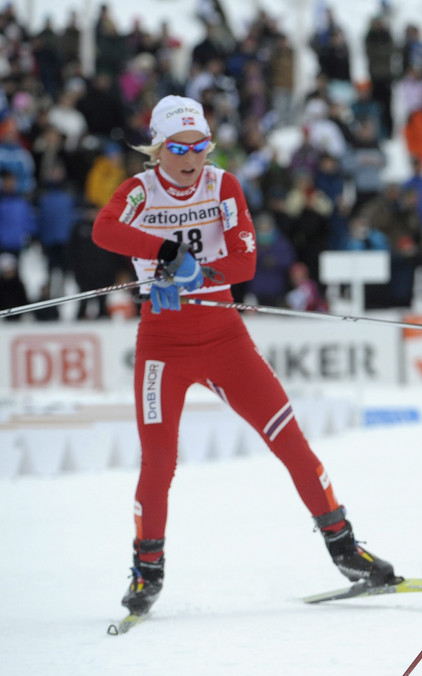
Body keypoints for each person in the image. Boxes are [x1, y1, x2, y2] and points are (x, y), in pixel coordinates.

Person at [91, 96, 396, 618]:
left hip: (225, 338)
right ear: (159, 148)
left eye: (201, 146)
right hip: (162, 346)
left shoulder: (221, 185)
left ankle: (345, 550)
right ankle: (148, 572)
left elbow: (245, 259)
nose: (192, 158)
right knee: (159, 462)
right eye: (180, 147)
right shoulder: (139, 191)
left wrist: (199, 275)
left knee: (290, 441)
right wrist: (167, 257)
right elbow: (104, 230)